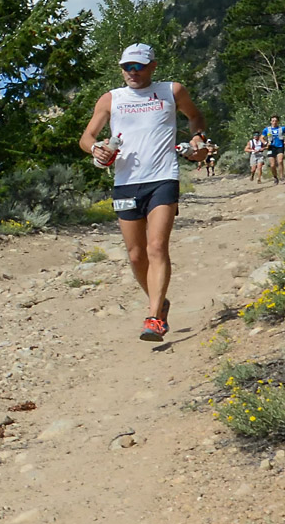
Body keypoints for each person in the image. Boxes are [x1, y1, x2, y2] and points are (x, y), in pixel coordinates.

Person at [79, 42, 206, 343]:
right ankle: (159, 303)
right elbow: (87, 137)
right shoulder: (112, 99)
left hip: (163, 178)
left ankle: (153, 319)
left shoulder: (172, 91)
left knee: (156, 247)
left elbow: (195, 117)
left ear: (153, 66)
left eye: (138, 66)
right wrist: (95, 150)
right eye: (127, 67)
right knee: (136, 256)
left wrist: (198, 139)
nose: (132, 72)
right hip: (125, 182)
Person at [261, 114, 285, 183]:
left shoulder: (282, 128)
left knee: (280, 161)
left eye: (276, 121)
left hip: (280, 146)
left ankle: (282, 177)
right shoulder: (267, 129)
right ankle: (275, 177)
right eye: (273, 121)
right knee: (272, 165)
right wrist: (265, 143)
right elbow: (261, 138)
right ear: (271, 122)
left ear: (278, 121)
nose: (274, 122)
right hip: (271, 147)